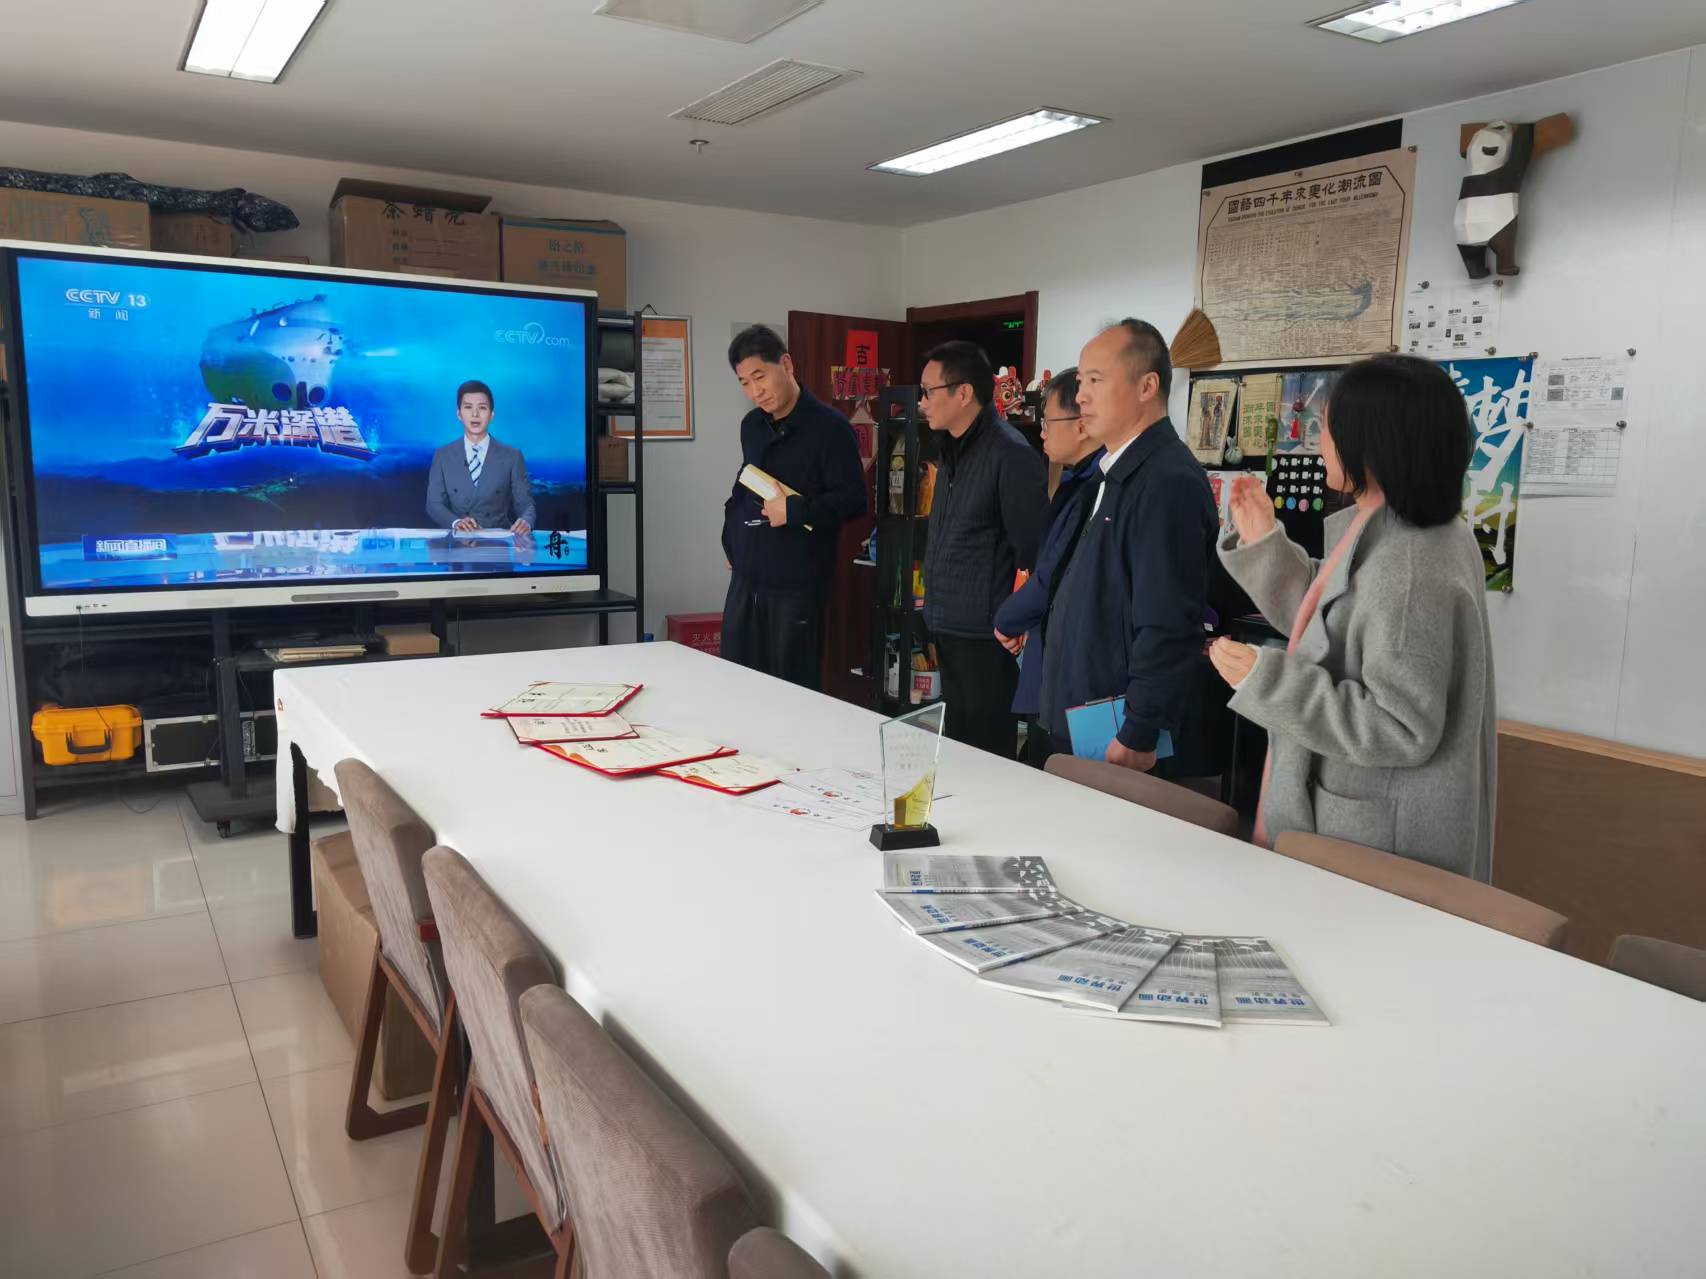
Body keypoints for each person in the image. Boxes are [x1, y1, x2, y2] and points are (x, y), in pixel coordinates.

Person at [1208, 354, 1495, 880]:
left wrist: (1266, 680)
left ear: (1372, 441)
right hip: (1362, 826)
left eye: (1326, 428)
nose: (1317, 442)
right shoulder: (1399, 528)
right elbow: (1333, 619)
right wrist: (1265, 544)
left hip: (1375, 843)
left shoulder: (1410, 564)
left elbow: (1400, 725)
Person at [1038, 319, 1216, 771]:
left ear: (1146, 386)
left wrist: (1140, 728)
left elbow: (1168, 620)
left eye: (1096, 381)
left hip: (1118, 731)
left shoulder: (1167, 481)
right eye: (1081, 381)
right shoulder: (1112, 473)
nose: (1081, 396)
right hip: (1081, 713)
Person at [918, 340, 1047, 757]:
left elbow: (1034, 550)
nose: (922, 402)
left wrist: (1015, 619)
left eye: (929, 391)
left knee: (987, 750)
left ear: (963, 393)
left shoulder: (1010, 453)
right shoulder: (951, 448)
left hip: (987, 633)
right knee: (958, 747)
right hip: (948, 621)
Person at [720, 325, 865, 690]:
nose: (755, 392)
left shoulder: (830, 428)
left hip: (795, 587)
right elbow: (744, 484)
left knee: (789, 692)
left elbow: (854, 500)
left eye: (760, 377)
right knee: (736, 685)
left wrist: (797, 510)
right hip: (746, 579)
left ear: (786, 364)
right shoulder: (752, 426)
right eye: (744, 383)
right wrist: (730, 540)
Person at [991, 369, 1103, 767]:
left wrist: (1007, 620)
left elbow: (1051, 573)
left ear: (1081, 424)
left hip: (1080, 672)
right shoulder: (1078, 480)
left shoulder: (1095, 487)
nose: (1041, 433)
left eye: (1048, 422)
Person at [426, 380, 535, 534]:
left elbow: (526, 504)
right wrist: (456, 522)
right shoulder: (443, 456)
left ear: (491, 415)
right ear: (459, 414)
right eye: (468, 407)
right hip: (457, 541)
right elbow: (433, 504)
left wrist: (526, 521)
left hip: (498, 541)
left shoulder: (512, 456)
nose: (475, 414)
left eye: (482, 408)